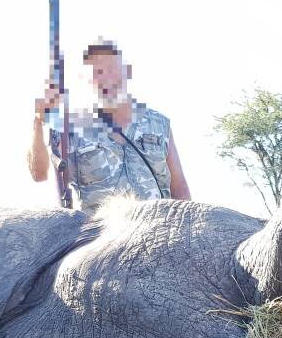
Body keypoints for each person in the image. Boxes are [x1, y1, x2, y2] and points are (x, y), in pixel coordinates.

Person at [28, 39, 191, 212]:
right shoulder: (71, 130)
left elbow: (180, 188)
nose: (106, 78)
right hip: (102, 236)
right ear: (88, 80)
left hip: (158, 234)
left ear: (127, 71)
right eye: (98, 72)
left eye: (112, 68)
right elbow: (39, 174)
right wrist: (38, 123)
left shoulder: (159, 124)